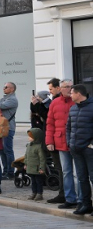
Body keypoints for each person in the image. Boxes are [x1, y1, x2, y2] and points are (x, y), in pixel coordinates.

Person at [45, 78, 79, 208]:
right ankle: (70, 199)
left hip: (76, 141)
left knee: (78, 173)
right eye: (66, 86)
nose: (69, 89)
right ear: (60, 88)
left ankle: (81, 199)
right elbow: (50, 123)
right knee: (66, 171)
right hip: (60, 141)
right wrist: (49, 141)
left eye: (71, 86)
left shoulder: (77, 101)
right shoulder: (55, 103)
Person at [67, 84, 93, 215]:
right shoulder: (73, 109)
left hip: (89, 150)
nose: (70, 95)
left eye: (71, 93)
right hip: (75, 149)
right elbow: (68, 128)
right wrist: (69, 143)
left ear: (78, 94)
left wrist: (91, 145)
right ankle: (86, 205)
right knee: (82, 178)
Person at [0, 82, 18, 180]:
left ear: (12, 89)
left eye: (6, 87)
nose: (3, 88)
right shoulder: (4, 98)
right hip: (2, 127)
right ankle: (5, 171)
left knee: (8, 150)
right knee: (2, 150)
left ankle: (10, 172)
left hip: (9, 127)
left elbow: (0, 106)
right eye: (3, 87)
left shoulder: (13, 99)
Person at [24, 127, 47, 201]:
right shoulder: (29, 146)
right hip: (31, 168)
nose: (29, 138)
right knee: (33, 182)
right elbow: (26, 156)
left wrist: (42, 168)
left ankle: (39, 193)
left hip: (37, 168)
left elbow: (42, 158)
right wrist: (26, 164)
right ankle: (34, 192)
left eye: (30, 137)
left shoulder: (39, 147)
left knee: (38, 182)